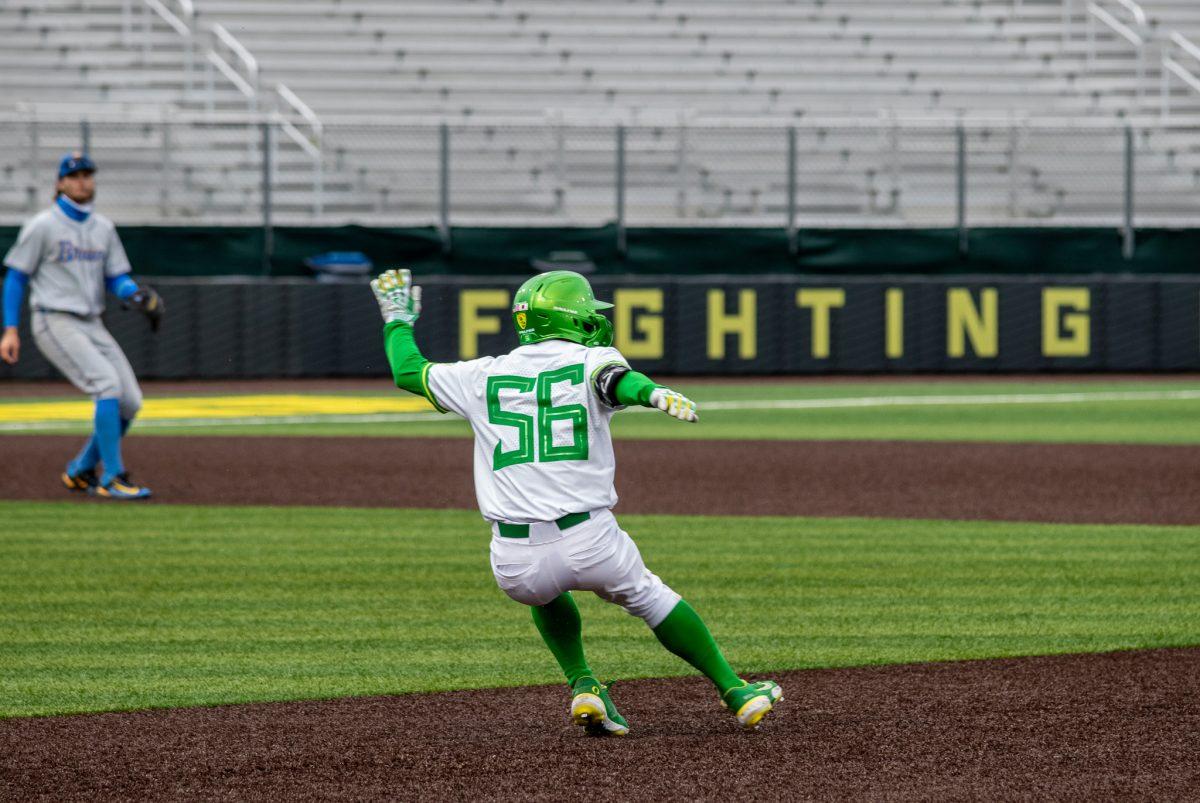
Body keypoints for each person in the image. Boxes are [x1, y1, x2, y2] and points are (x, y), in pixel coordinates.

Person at [371, 268, 783, 735]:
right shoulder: (593, 358)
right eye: (588, 311)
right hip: (588, 539)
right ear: (573, 319)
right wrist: (652, 392)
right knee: (650, 597)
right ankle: (735, 690)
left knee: (544, 591)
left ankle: (583, 683)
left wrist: (397, 319)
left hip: (512, 560)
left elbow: (407, 371)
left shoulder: (479, 375)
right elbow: (616, 381)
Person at [1, 152, 163, 499]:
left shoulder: (102, 227)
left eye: (87, 175)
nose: (81, 181)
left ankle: (80, 470)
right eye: (74, 176)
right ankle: (112, 477)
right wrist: (10, 329)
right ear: (60, 183)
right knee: (106, 385)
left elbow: (116, 277)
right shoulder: (43, 225)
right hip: (53, 318)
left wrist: (134, 295)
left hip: (90, 321)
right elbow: (16, 277)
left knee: (130, 401)